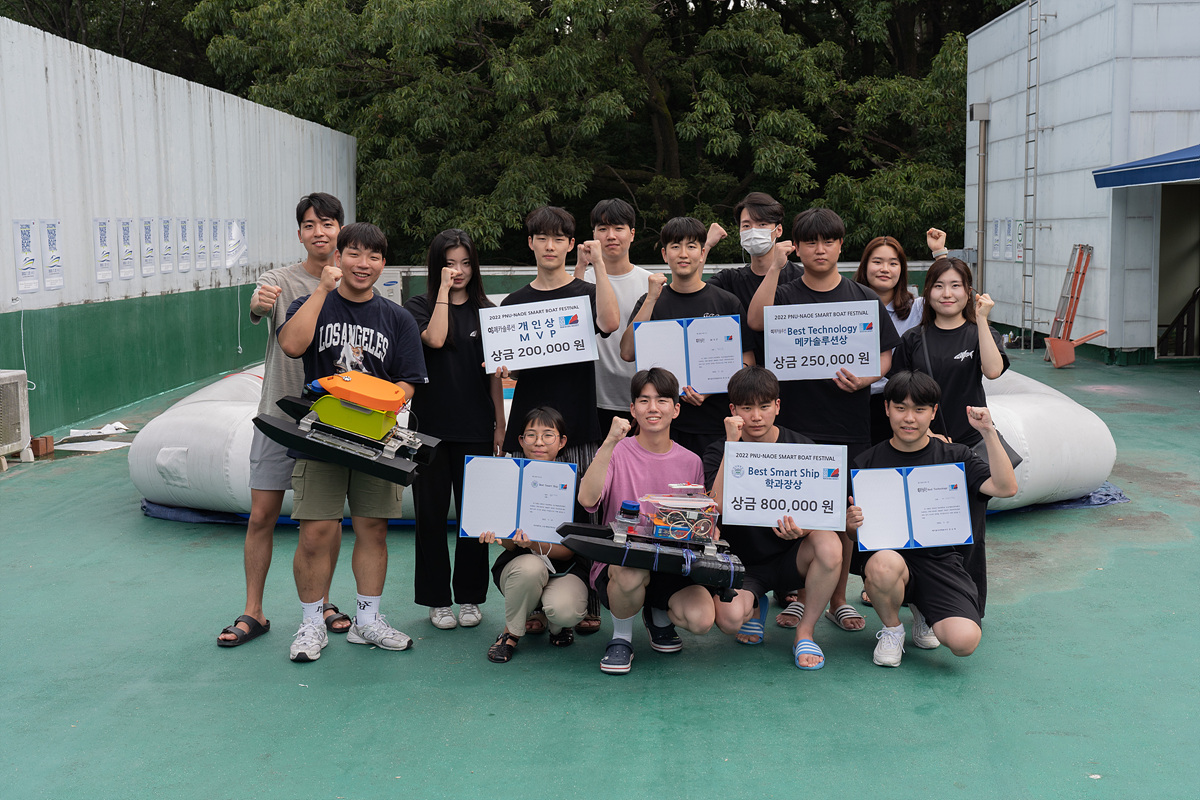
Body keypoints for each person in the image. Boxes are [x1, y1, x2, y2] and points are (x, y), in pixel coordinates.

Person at [277, 222, 428, 662]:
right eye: (355, 254)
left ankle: (367, 620)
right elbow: (292, 345)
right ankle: (311, 623)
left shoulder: (397, 318)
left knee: (374, 530)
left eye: (374, 256)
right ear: (338, 257)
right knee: (315, 533)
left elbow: (409, 382)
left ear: (384, 263)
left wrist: (374, 400)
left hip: (376, 440)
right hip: (320, 437)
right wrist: (322, 291)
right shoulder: (311, 302)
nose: (364, 264)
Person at [746, 207, 900, 633]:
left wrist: (867, 377)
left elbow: (886, 356)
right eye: (810, 241)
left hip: (847, 424)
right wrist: (775, 268)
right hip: (794, 424)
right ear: (797, 246)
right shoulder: (785, 293)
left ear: (840, 245)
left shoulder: (863, 297)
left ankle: (838, 599)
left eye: (828, 241)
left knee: (843, 515)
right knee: (794, 510)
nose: (819, 249)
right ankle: (797, 594)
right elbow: (755, 320)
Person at [218, 192, 350, 647]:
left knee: (326, 520)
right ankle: (253, 610)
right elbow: (259, 307)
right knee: (261, 515)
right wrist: (258, 304)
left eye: (328, 224)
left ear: (340, 230)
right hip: (278, 414)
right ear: (299, 234)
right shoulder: (278, 280)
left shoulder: (352, 279)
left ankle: (325, 602)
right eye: (310, 225)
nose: (319, 232)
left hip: (330, 420)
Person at [847, 371, 1017, 667]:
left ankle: (924, 613)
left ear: (933, 412)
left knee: (964, 642)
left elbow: (1005, 488)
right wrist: (852, 527)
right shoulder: (867, 463)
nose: (909, 418)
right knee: (883, 564)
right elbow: (856, 535)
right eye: (900, 408)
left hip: (942, 563)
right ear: (886, 408)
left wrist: (988, 431)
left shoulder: (956, 456)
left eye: (919, 409)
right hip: (892, 562)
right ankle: (892, 629)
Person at [703, 367, 842, 669]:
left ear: (777, 406)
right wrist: (732, 446)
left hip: (791, 559)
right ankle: (755, 604)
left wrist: (803, 530)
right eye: (746, 408)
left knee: (829, 544)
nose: (756, 416)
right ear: (732, 410)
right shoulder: (718, 451)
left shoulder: (804, 449)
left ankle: (805, 632)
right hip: (742, 564)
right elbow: (716, 507)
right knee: (728, 621)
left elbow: (825, 513)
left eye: (764, 406)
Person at [578, 368, 712, 675]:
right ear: (632, 409)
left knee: (702, 619)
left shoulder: (691, 461)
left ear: (676, 409)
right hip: (622, 561)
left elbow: (697, 522)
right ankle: (621, 637)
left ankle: (656, 613)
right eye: (644, 400)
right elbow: (587, 499)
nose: (653, 408)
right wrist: (610, 441)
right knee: (631, 571)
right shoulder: (616, 451)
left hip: (670, 562)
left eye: (662, 400)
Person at [404, 229, 505, 631]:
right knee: (429, 518)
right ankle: (436, 600)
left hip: (475, 428)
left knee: (474, 519)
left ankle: (469, 597)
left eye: (465, 263)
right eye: (449, 264)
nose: (458, 271)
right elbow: (436, 338)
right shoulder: (417, 307)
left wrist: (499, 424)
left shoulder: (489, 311)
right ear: (436, 267)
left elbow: (495, 376)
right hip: (427, 430)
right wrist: (443, 292)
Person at [499, 206, 619, 488]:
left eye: (558, 239)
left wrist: (599, 264)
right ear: (531, 242)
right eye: (542, 238)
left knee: (581, 506)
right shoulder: (513, 303)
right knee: (527, 505)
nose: (550, 246)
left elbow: (610, 323)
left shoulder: (587, 293)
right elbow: (515, 369)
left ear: (571, 244)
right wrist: (505, 368)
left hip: (578, 421)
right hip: (529, 429)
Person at [619, 216, 755, 458]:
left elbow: (747, 361)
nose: (683, 254)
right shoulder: (650, 301)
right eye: (675, 246)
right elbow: (628, 352)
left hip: (715, 424)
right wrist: (651, 299)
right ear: (664, 254)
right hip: (664, 427)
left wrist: (711, 387)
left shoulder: (726, 302)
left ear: (702, 253)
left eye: (691, 246)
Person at [480, 407, 588, 663]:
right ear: (521, 440)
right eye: (531, 435)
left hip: (566, 569)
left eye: (548, 435)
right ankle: (511, 632)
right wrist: (498, 536)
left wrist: (535, 543)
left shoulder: (576, 483)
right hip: (522, 568)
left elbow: (570, 551)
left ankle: (557, 624)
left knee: (564, 610)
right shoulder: (506, 480)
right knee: (529, 567)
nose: (539, 442)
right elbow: (510, 546)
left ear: (562, 442)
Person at [890, 229, 1009, 449]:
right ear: (928, 292)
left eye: (956, 286)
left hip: (973, 441)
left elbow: (993, 372)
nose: (947, 294)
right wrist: (928, 435)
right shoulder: (912, 339)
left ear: (968, 291)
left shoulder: (981, 333)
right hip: (923, 442)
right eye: (938, 286)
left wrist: (982, 318)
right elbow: (897, 395)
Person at [574, 199, 651, 433]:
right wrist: (579, 268)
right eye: (603, 229)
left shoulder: (651, 284)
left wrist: (647, 402)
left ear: (632, 234)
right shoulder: (580, 280)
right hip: (589, 400)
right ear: (593, 235)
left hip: (638, 401)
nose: (611, 236)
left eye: (619, 228)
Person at [707, 192, 804, 366]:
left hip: (793, 373)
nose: (753, 231)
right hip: (746, 379)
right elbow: (692, 291)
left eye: (762, 224)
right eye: (746, 225)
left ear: (778, 230)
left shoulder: (801, 278)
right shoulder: (729, 280)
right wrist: (706, 245)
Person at [853, 236, 925, 445]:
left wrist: (939, 253)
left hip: (902, 404)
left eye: (893, 263)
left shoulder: (917, 308)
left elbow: (949, 290)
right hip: (854, 400)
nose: (885, 269)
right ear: (865, 265)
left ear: (901, 269)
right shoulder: (846, 306)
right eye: (877, 262)